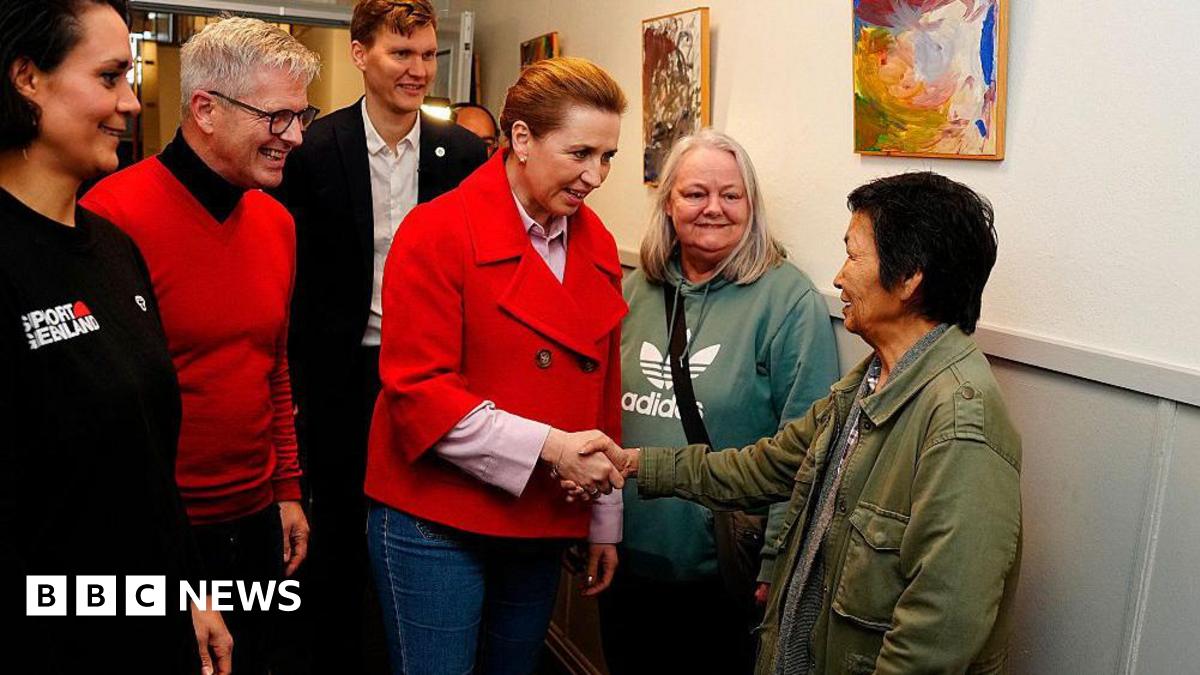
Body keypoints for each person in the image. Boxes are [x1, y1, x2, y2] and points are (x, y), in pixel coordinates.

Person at [594, 172, 1022, 673]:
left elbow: (939, 632)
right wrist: (636, 463)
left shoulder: (958, 421)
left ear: (909, 280)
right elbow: (765, 467)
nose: (839, 277)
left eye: (854, 256)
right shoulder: (868, 384)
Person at [364, 56, 629, 675]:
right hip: (434, 516)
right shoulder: (436, 232)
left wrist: (604, 518)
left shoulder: (598, 244)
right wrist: (551, 449)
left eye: (608, 156)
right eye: (580, 153)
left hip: (539, 517)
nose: (596, 176)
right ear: (521, 139)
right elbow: (419, 394)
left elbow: (602, 387)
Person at [80, 16, 319, 675]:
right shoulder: (111, 216)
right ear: (206, 110)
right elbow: (108, 415)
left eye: (302, 116)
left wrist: (287, 489)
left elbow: (273, 366)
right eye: (278, 118)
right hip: (163, 533)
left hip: (257, 516)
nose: (295, 137)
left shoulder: (276, 223)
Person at [0, 1, 231, 673]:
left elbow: (149, 465)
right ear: (27, 78)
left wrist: (190, 594)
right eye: (108, 77)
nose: (132, 102)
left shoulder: (115, 249)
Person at [276, 1, 486, 669]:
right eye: (403, 54)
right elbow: (291, 271)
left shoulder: (463, 151)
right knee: (337, 530)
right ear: (360, 54)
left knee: (425, 528)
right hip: (341, 377)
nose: (420, 69)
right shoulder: (312, 149)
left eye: (428, 54)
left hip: (433, 376)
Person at [598, 130, 838, 675]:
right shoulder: (637, 288)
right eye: (695, 194)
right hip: (627, 562)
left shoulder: (787, 300)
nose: (713, 208)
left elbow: (807, 449)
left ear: (751, 207)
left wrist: (775, 560)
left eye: (731, 195)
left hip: (722, 573)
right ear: (668, 205)